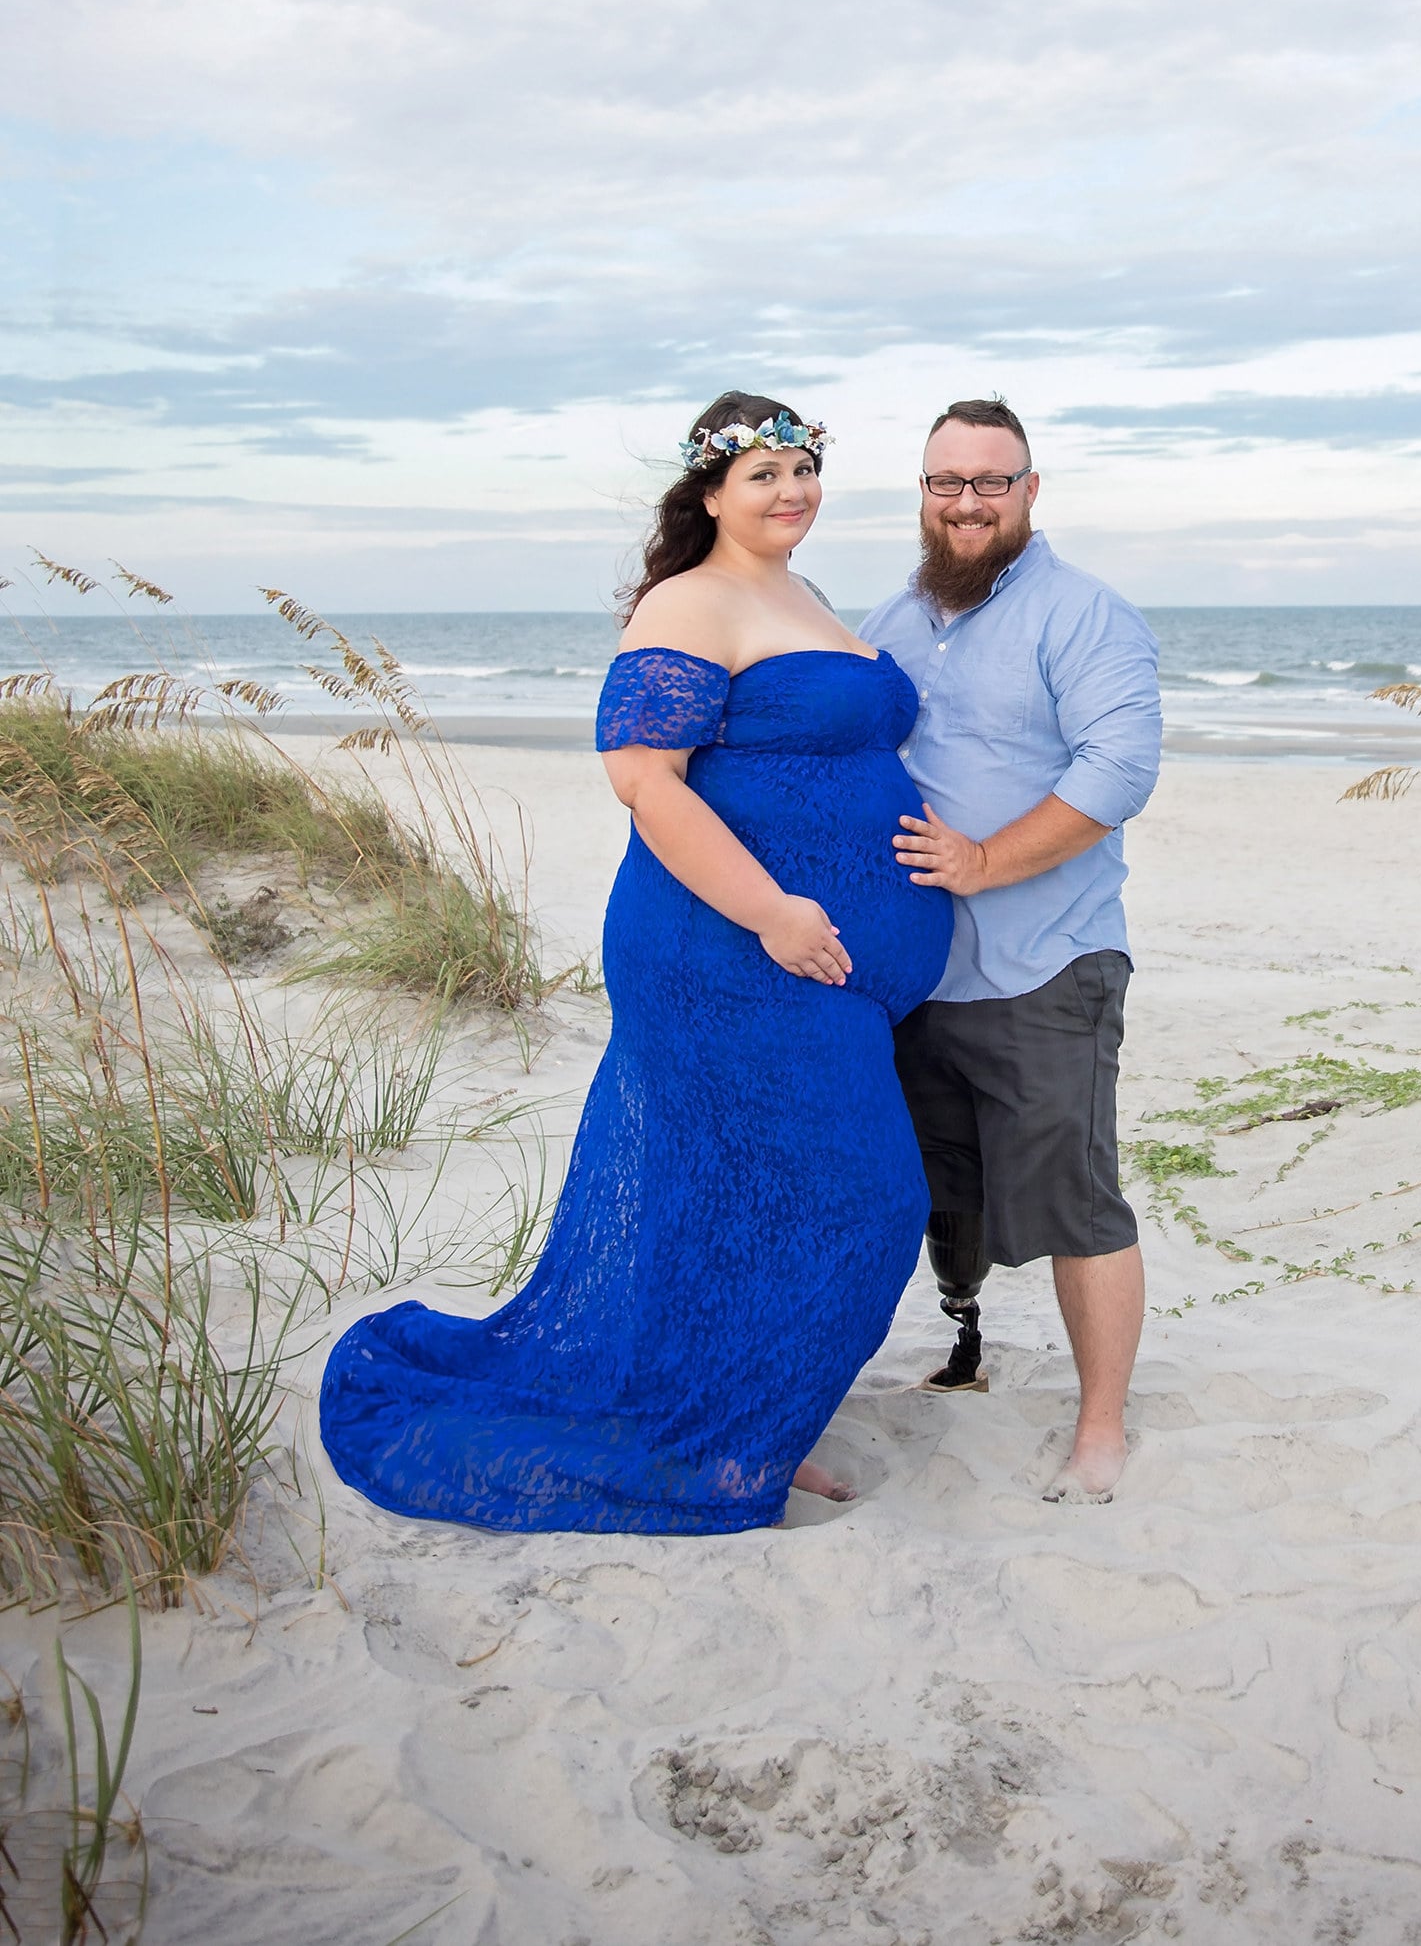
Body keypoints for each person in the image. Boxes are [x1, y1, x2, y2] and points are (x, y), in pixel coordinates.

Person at [319, 392, 952, 1533]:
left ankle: (751, 1419)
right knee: (868, 1199)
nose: (790, 489)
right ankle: (722, 1435)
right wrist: (772, 911)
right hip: (727, 949)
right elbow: (643, 778)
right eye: (761, 473)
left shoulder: (798, 593)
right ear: (709, 493)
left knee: (741, 1198)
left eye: (803, 467)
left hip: (811, 962)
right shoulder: (687, 600)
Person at [863, 397, 1162, 1504]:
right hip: (912, 976)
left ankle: (1097, 1429)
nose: (967, 502)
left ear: (1031, 492)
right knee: (929, 1194)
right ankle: (960, 1345)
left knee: (1076, 1201)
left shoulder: (1087, 616)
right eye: (947, 482)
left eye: (991, 481)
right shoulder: (889, 619)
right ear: (924, 494)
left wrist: (986, 860)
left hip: (1046, 962)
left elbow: (1117, 771)